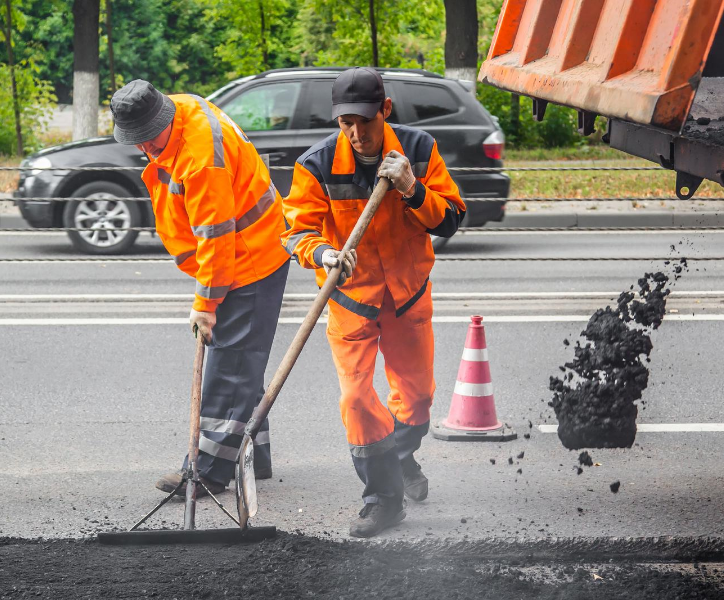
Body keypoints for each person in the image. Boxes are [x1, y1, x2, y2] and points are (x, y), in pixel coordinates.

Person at [281, 67, 465, 537]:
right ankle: (383, 499)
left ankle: (399, 459)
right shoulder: (317, 164)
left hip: (407, 296)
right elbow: (296, 231)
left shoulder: (419, 151)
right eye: (346, 123)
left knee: (418, 399)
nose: (357, 133)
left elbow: (450, 219)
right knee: (357, 400)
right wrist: (322, 252)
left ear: (385, 110)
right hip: (352, 300)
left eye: (365, 121)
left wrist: (411, 188)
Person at [110, 79, 290, 498]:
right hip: (244, 253)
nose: (145, 149)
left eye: (149, 140)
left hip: (246, 261)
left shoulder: (201, 157)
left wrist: (206, 304)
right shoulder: (182, 108)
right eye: (136, 142)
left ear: (164, 117)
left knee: (227, 371)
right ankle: (251, 455)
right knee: (243, 365)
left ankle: (207, 472)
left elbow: (216, 236)